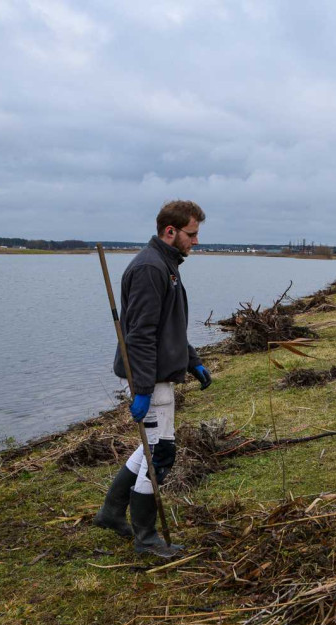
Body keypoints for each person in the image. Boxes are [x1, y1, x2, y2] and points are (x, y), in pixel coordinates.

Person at [94, 200, 212, 558]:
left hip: (161, 374)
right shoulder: (150, 268)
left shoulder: (167, 265)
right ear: (170, 231)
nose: (195, 242)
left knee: (152, 445)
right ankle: (145, 538)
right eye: (191, 235)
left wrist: (192, 360)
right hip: (151, 378)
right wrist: (142, 389)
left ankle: (112, 514)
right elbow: (141, 335)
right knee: (159, 452)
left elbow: (168, 327)